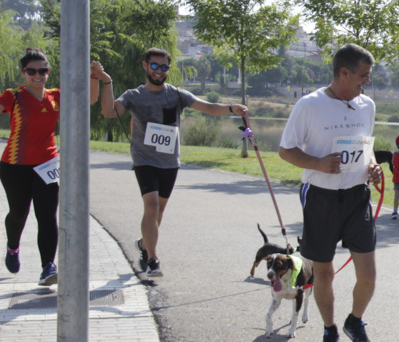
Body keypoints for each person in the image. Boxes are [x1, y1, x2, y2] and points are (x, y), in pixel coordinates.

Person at [99, 47, 248, 277]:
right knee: (151, 207)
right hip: (144, 159)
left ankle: (143, 244)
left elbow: (207, 107)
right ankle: (153, 259)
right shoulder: (133, 96)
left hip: (169, 162)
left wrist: (231, 108)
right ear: (145, 66)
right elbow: (109, 112)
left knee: (158, 213)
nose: (159, 71)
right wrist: (107, 82)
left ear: (169, 68)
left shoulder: (177, 95)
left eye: (164, 67)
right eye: (155, 66)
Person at [277, 43, 384, 342]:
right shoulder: (309, 105)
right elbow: (286, 150)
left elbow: (366, 147)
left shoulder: (367, 106)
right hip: (320, 197)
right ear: (344, 72)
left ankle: (354, 321)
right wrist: (317, 163)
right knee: (324, 274)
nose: (366, 82)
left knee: (368, 275)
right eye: (362, 76)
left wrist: (373, 166)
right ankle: (329, 331)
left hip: (356, 196)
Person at [2, 49, 102, 285]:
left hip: (47, 164)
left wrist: (95, 77)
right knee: (18, 213)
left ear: (48, 72)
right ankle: (13, 247)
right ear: (23, 73)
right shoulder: (13, 96)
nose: (38, 75)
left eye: (43, 71)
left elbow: (90, 99)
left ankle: (48, 266)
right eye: (32, 71)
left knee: (47, 215)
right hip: (14, 165)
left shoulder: (57, 95)